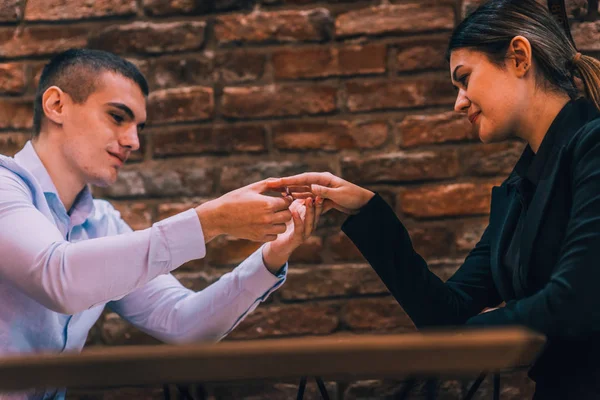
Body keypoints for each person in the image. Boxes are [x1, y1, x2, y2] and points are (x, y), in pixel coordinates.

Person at [274, 0, 600, 398]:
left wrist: (461, 339)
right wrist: (368, 212)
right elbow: (446, 312)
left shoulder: (592, 145)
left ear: (518, 57)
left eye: (465, 79)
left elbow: (575, 301)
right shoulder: (521, 186)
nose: (458, 102)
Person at [0, 48, 322, 399]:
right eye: (117, 116)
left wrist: (272, 255)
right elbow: (57, 277)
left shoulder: (103, 222)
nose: (133, 141)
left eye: (138, 127)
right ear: (56, 106)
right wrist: (209, 221)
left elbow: (183, 323)